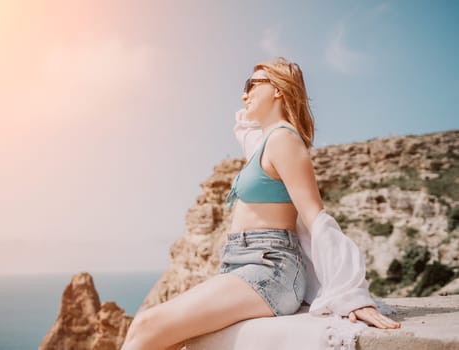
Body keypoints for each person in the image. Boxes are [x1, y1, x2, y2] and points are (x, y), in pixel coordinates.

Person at [120, 57, 400, 350]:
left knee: (146, 325)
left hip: (270, 268)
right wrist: (257, 105)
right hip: (243, 264)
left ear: (278, 89)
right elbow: (245, 127)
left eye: (251, 85)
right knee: (169, 340)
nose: (244, 95)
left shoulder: (284, 140)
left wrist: (350, 294)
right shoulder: (265, 142)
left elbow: (316, 215)